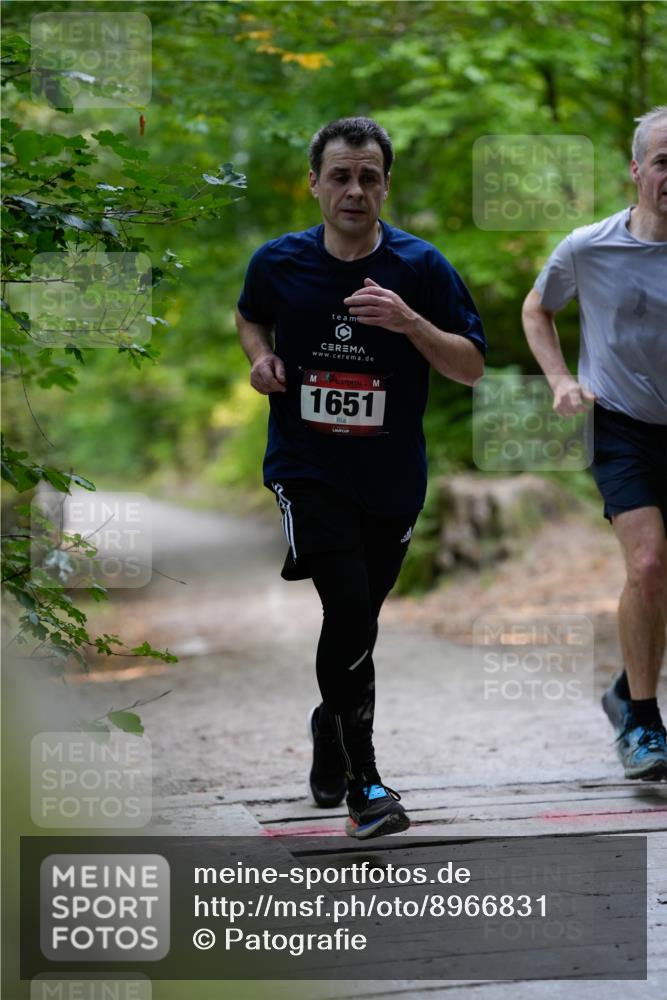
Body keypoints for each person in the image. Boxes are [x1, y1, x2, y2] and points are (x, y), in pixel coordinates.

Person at [236, 117, 486, 838]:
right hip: (306, 467)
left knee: (359, 621)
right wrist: (259, 358)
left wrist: (409, 322)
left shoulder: (420, 268)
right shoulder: (278, 262)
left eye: (368, 176)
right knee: (346, 607)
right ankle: (364, 785)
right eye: (340, 175)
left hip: (390, 479)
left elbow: (468, 368)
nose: (354, 189)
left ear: (385, 185)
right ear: (313, 182)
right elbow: (250, 317)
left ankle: (330, 723)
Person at [522, 106, 667, 781]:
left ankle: (620, 687)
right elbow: (536, 308)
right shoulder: (587, 246)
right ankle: (640, 719)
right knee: (646, 567)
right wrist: (558, 379)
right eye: (662, 162)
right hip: (619, 424)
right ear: (635, 170)